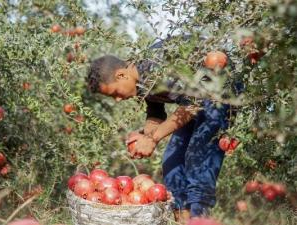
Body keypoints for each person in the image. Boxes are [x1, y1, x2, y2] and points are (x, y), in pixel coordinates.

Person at [86, 38, 238, 223]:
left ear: (121, 75)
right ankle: (182, 219)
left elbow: (192, 105)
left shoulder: (155, 66)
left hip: (220, 92)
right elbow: (156, 112)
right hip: (194, 103)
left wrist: (153, 139)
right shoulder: (141, 84)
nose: (118, 100)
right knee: (171, 163)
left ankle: (200, 218)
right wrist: (146, 135)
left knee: (197, 161)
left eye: (115, 93)